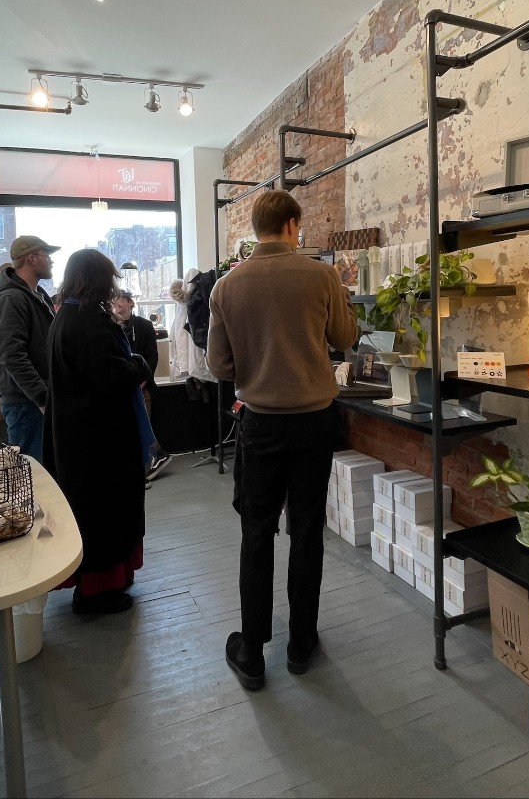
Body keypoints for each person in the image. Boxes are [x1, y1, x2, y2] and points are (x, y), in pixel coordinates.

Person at [206, 190, 358, 690]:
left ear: (255, 228)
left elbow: (218, 366)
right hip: (315, 421)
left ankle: (251, 650)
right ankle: (300, 642)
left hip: (262, 424)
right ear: (293, 225)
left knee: (256, 532)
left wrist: (257, 364)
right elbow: (344, 338)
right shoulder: (321, 275)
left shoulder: (226, 287)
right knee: (307, 531)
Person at [45, 250, 154, 615]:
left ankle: (99, 584)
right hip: (100, 442)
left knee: (94, 514)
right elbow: (114, 377)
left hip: (82, 437)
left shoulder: (68, 316)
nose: (113, 286)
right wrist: (137, 364)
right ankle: (96, 592)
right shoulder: (88, 324)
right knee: (105, 515)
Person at [0, 236, 58, 462]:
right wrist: (42, 397)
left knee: (44, 471)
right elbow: (11, 355)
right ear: (32, 258)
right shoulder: (11, 299)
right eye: (48, 256)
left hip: (35, 400)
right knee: (33, 474)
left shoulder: (36, 296)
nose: (52, 262)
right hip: (26, 404)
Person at [111, 289, 171, 486]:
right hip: (123, 386)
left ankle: (150, 462)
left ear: (129, 302)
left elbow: (152, 356)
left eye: (120, 299)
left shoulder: (144, 326)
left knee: (141, 424)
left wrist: (143, 379)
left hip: (142, 385)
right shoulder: (110, 326)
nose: (116, 303)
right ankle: (154, 457)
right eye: (114, 299)